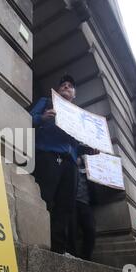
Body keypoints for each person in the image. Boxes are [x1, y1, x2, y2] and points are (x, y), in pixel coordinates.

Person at [30, 75, 97, 254]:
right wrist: (42, 117)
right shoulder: (46, 102)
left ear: (74, 94)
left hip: (71, 163)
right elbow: (28, 118)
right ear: (58, 91)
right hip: (49, 155)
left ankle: (58, 249)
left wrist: (87, 149)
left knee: (66, 207)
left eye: (70, 86)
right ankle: (36, 240)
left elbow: (76, 143)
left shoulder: (79, 116)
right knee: (45, 198)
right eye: (63, 85)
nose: (66, 87)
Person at [68, 156, 96, 260]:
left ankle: (86, 256)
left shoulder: (89, 170)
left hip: (86, 204)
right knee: (72, 229)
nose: (80, 158)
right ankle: (72, 254)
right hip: (72, 202)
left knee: (90, 229)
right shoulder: (70, 167)